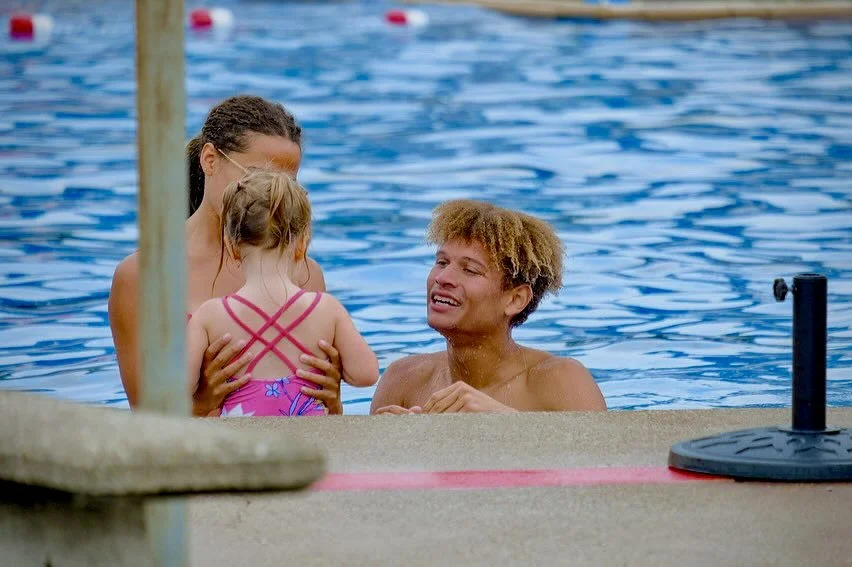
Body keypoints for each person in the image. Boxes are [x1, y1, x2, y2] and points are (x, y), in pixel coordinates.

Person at [109, 95, 343, 416]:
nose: (268, 194)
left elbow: (321, 413)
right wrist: (203, 401)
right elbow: (146, 415)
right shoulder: (141, 276)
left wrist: (333, 399)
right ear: (209, 159)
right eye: (256, 174)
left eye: (285, 184)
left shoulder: (304, 274)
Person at [370, 200, 607, 414]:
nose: (443, 277)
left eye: (470, 270)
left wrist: (503, 422)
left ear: (515, 299)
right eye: (441, 262)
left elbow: (607, 457)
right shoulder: (403, 379)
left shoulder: (562, 380)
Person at [187, 169, 378, 417]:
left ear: (232, 246)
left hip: (243, 447)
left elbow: (176, 386)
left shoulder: (211, 315)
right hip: (309, 446)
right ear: (302, 245)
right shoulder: (326, 309)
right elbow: (366, 374)